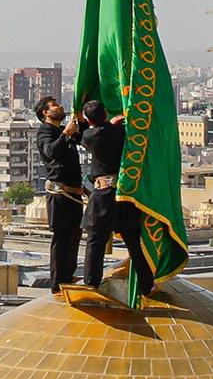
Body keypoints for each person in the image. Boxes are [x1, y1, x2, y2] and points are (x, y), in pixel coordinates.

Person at [76, 98, 147, 299]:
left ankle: (91, 284)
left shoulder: (90, 135)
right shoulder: (120, 131)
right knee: (133, 242)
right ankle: (147, 283)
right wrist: (113, 123)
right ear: (105, 114)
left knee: (95, 241)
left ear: (89, 120)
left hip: (102, 194)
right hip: (123, 194)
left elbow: (83, 134)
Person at [34, 98, 84, 296]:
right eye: (54, 105)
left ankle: (68, 275)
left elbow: (83, 138)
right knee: (62, 238)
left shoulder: (63, 130)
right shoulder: (45, 132)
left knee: (74, 235)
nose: (60, 106)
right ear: (45, 113)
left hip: (73, 192)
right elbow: (50, 152)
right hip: (59, 193)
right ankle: (58, 282)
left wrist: (80, 121)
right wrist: (65, 134)